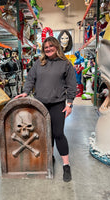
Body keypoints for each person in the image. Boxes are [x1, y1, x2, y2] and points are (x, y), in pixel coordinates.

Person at [15, 36, 77, 182]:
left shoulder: (65, 64)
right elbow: (30, 79)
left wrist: (69, 104)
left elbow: (71, 85)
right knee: (44, 134)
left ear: (57, 47)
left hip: (57, 104)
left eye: (51, 46)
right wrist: (26, 91)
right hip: (40, 105)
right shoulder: (38, 63)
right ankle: (50, 158)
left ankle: (66, 166)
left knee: (58, 133)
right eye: (46, 47)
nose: (48, 49)